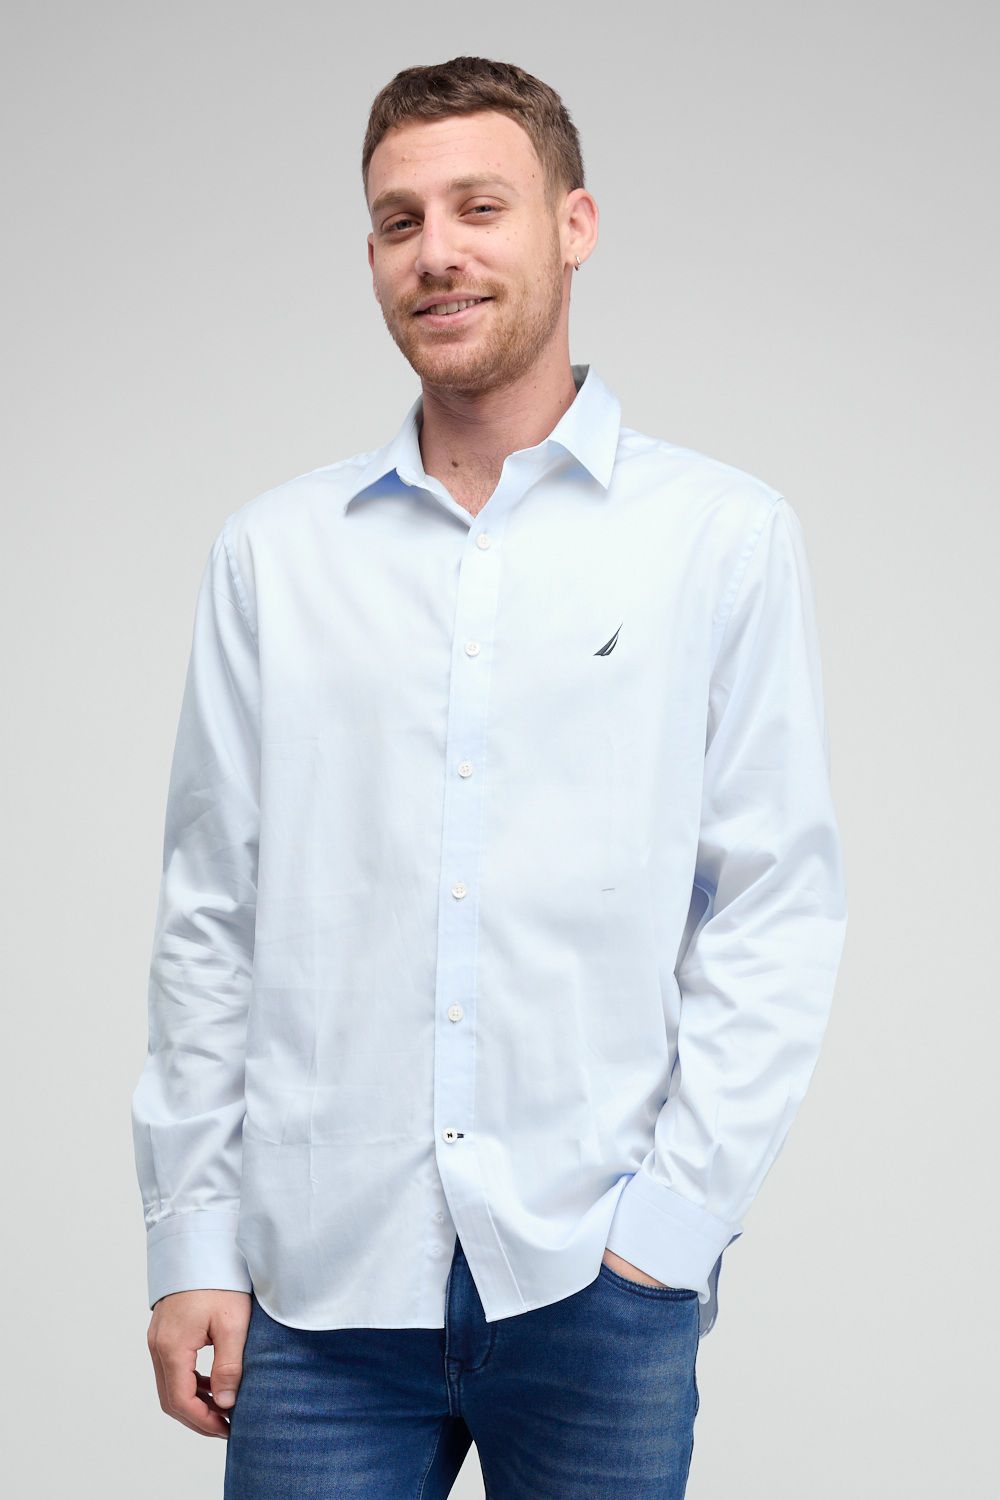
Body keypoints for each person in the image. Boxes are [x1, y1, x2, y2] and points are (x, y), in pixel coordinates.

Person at [131, 55, 848, 1499]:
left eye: (479, 207)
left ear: (574, 225)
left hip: (594, 1278)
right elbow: (213, 914)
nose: (436, 252)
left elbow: (775, 903)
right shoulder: (276, 555)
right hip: (319, 1289)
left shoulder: (720, 538)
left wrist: (672, 1231)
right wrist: (191, 1240)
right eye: (399, 221)